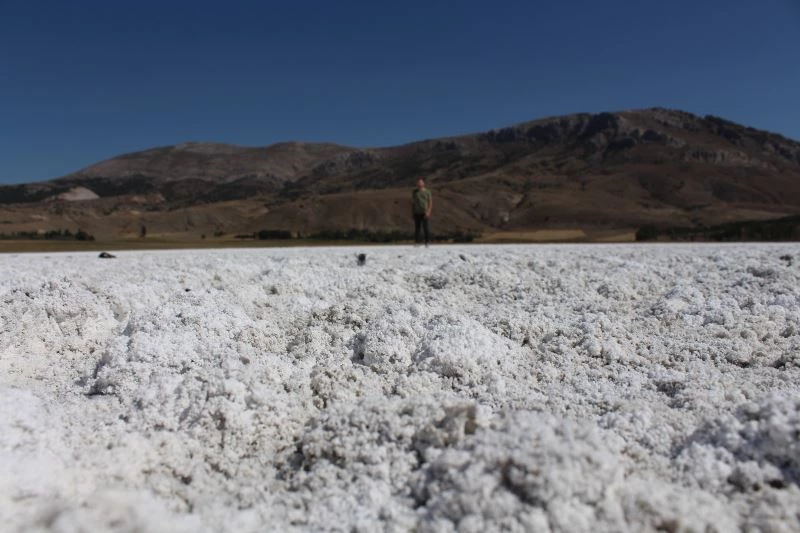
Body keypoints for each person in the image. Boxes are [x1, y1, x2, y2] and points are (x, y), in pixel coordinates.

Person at [411, 178, 433, 246]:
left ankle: (427, 242)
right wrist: (412, 211)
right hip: (417, 212)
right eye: (418, 183)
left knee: (425, 228)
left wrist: (428, 211)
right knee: (417, 228)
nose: (419, 184)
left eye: (421, 183)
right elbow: (413, 202)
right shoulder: (414, 192)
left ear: (423, 184)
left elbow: (430, 202)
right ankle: (417, 242)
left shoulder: (427, 192)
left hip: (424, 212)